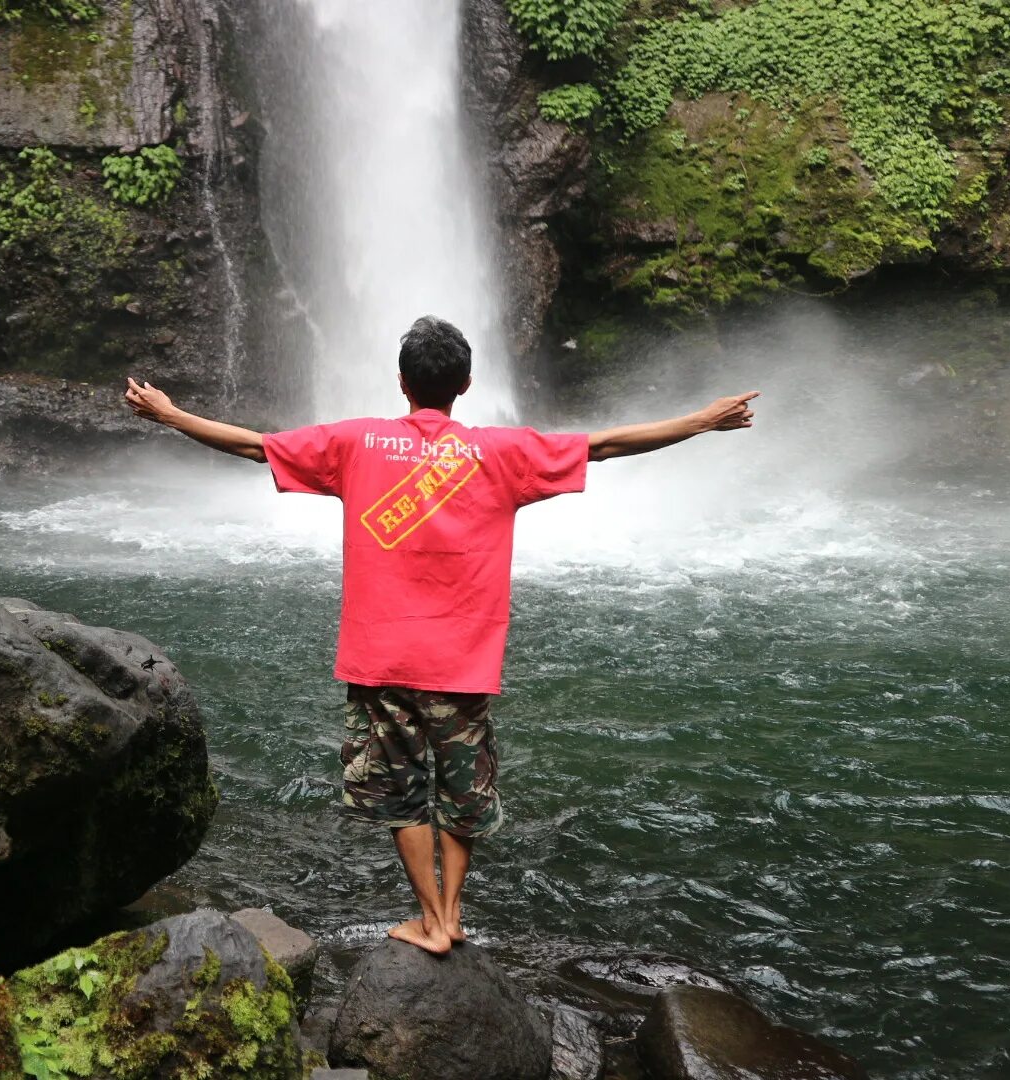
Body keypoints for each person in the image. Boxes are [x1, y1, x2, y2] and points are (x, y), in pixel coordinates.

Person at [123, 315, 758, 954]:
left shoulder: (356, 444)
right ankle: (452, 915)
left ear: (402, 383)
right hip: (461, 662)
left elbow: (255, 445)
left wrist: (170, 413)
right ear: (468, 384)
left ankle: (428, 918)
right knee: (463, 791)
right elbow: (606, 445)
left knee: (399, 793)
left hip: (382, 659)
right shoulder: (500, 453)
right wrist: (702, 420)